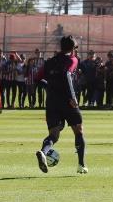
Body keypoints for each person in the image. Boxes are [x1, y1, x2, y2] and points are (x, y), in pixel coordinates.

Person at [35, 35, 88, 174]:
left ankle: (43, 152)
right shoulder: (72, 59)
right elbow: (67, 75)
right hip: (67, 102)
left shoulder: (50, 62)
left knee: (54, 134)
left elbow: (38, 78)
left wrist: (50, 87)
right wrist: (72, 97)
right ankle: (81, 165)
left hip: (52, 102)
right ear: (73, 48)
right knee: (79, 130)